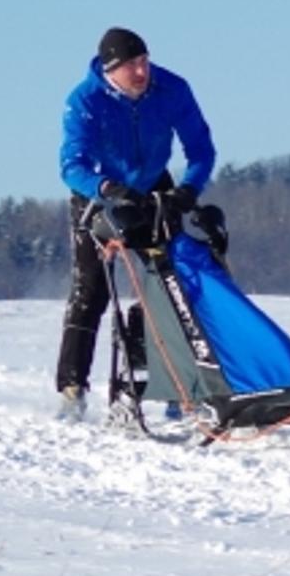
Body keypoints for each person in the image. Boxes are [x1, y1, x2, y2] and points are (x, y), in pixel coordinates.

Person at [53, 26, 216, 418]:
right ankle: (72, 390)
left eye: (145, 61)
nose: (143, 73)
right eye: (132, 67)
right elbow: (71, 165)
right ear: (111, 71)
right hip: (100, 193)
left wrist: (189, 190)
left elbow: (201, 150)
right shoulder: (85, 100)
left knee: (167, 285)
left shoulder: (172, 88)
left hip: (155, 188)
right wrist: (106, 188)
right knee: (92, 290)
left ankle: (174, 387)